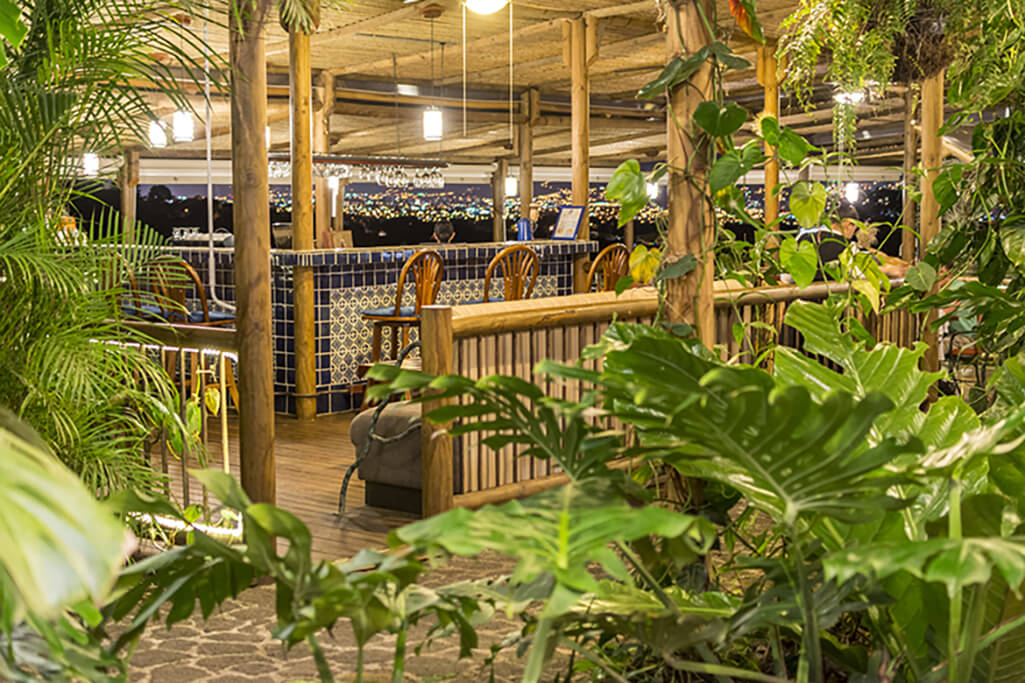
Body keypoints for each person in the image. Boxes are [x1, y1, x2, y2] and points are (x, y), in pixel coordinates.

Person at [797, 204, 908, 280]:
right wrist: (889, 270)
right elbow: (857, 273)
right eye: (855, 227)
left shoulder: (802, 237)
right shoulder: (846, 247)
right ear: (848, 224)